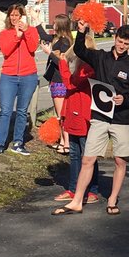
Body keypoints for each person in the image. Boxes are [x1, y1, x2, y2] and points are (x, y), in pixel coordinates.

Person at [64, 19, 129, 214]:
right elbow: (80, 50)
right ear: (115, 38)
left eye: (126, 43)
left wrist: (125, 99)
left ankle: (112, 199)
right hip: (99, 116)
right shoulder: (100, 57)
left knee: (120, 161)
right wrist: (81, 32)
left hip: (121, 119)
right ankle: (77, 200)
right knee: (87, 159)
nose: (122, 46)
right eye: (120, 41)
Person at [51, 45, 101, 205]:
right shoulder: (79, 67)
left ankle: (92, 189)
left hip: (84, 115)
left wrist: (63, 63)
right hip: (73, 114)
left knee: (88, 155)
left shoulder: (88, 68)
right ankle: (73, 188)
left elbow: (71, 83)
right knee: (74, 154)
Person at [0, 4, 40, 157]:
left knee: (21, 111)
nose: (14, 18)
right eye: (11, 15)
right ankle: (0, 144)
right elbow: (6, 51)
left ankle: (18, 142)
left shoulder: (31, 31)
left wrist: (26, 32)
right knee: (6, 111)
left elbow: (32, 48)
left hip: (28, 75)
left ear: (22, 16)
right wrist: (17, 37)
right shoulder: (5, 33)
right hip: (9, 76)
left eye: (17, 15)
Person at [39, 14, 74, 154]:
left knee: (62, 114)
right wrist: (36, 19)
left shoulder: (64, 42)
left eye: (54, 23)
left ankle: (66, 144)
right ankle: (62, 142)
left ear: (60, 25)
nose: (52, 25)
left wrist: (49, 53)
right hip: (55, 80)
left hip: (60, 81)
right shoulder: (57, 39)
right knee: (60, 114)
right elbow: (43, 35)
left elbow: (61, 63)